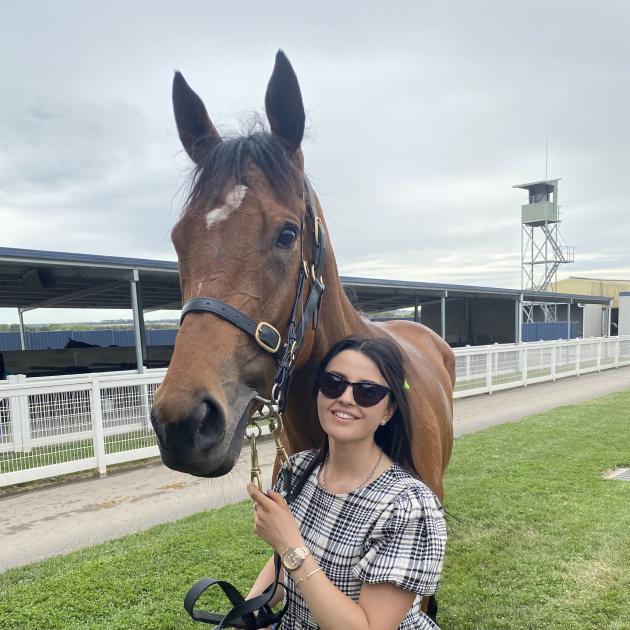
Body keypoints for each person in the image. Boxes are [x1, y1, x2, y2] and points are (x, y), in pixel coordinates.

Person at [246, 336, 447, 630]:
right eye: (334, 383)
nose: (346, 398)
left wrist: (290, 543)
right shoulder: (298, 468)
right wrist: (248, 612)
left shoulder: (409, 507)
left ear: (388, 411)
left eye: (367, 392)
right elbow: (283, 562)